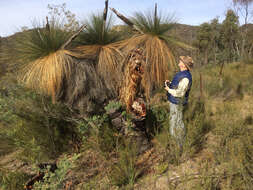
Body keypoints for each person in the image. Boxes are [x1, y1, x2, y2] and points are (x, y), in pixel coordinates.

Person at [164, 56, 193, 151]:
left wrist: (169, 90)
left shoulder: (186, 78)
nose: (179, 62)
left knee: (177, 122)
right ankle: (177, 142)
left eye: (180, 61)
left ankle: (179, 144)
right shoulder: (183, 74)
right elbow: (179, 86)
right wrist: (171, 83)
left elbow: (180, 93)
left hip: (177, 103)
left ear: (184, 65)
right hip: (175, 102)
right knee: (176, 120)